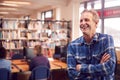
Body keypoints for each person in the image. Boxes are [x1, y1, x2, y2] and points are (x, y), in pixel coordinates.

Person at [67, 9, 116, 80]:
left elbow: (109, 68)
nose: (83, 23)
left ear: (96, 23)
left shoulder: (106, 40)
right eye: (81, 21)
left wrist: (81, 68)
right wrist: (99, 66)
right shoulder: (72, 45)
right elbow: (72, 75)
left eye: (86, 20)